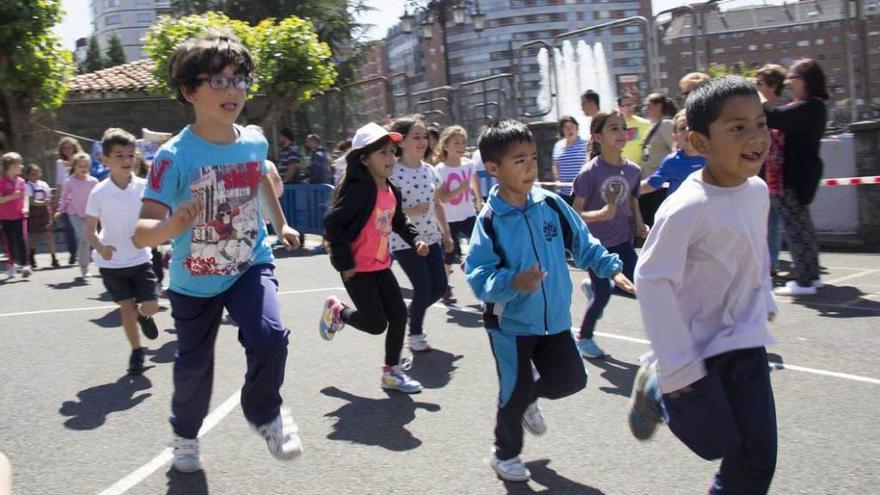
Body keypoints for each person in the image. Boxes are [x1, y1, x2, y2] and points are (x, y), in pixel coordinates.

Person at [132, 31, 304, 473]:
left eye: (240, 79)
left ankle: (264, 411)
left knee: (270, 337)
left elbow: (260, 179)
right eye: (219, 81)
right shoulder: (173, 157)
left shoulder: (253, 141)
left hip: (250, 262)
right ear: (189, 91)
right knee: (194, 367)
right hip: (195, 279)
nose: (234, 90)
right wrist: (171, 226)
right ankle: (185, 436)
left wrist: (280, 222)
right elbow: (141, 232)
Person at [629, 76, 778, 495]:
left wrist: (763, 294)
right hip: (697, 349)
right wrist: (676, 366)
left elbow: (755, 250)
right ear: (698, 141)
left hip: (746, 342)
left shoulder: (758, 191)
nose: (755, 137)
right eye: (737, 128)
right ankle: (657, 387)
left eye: (760, 123)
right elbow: (652, 278)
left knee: (756, 458)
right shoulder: (685, 208)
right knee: (714, 442)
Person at [464, 118, 634, 483]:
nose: (529, 168)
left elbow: (582, 242)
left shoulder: (552, 204)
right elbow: (478, 276)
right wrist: (512, 282)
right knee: (513, 389)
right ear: (493, 169)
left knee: (572, 379)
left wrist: (609, 266)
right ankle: (504, 454)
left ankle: (528, 397)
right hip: (509, 323)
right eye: (518, 161)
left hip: (553, 317)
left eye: (532, 158)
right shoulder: (491, 220)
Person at [321, 122, 429, 393]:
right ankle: (338, 312)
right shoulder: (360, 190)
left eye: (393, 152)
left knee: (399, 315)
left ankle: (391, 372)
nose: (391, 158)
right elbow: (333, 223)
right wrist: (345, 264)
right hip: (357, 270)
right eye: (383, 153)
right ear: (364, 159)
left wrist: (415, 238)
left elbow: (400, 219)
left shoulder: (391, 189)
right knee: (376, 324)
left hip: (380, 266)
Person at [84, 128, 161, 375]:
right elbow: (89, 232)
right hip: (112, 265)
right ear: (105, 160)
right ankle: (137, 351)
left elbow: (158, 218)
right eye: (119, 156)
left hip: (140, 259)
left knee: (150, 306)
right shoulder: (98, 192)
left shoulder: (144, 187)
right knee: (125, 309)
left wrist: (147, 235)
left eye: (130, 155)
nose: (126, 161)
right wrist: (101, 248)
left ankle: (144, 315)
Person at [571, 111, 645, 359]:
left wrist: (639, 224)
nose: (621, 133)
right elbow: (575, 214)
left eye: (623, 128)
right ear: (597, 137)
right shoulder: (589, 173)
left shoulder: (633, 170)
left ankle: (595, 286)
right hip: (596, 246)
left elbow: (632, 200)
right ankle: (584, 337)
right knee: (602, 295)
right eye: (614, 128)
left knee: (642, 287)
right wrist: (601, 214)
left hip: (622, 240)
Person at [388, 115, 454, 353]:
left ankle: (410, 314)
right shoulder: (391, 172)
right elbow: (384, 210)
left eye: (424, 136)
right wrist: (411, 211)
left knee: (439, 286)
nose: (422, 141)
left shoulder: (430, 170)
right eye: (416, 136)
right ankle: (415, 335)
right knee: (423, 288)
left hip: (431, 237)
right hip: (405, 240)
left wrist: (446, 233)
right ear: (401, 141)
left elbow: (437, 204)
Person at [765, 59, 828, 296]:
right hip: (796, 176)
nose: (789, 83)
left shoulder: (810, 107)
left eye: (793, 78)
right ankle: (810, 276)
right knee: (802, 228)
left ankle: (804, 281)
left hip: (793, 177)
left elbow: (774, 115)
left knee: (796, 229)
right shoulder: (809, 106)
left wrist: (757, 98)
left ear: (806, 81)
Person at [433, 125, 482, 304]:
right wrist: (461, 188)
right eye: (456, 143)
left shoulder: (468, 164)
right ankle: (445, 287)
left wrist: (478, 199)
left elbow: (474, 181)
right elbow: (443, 198)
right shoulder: (440, 169)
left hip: (468, 214)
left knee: (482, 243)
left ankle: (468, 262)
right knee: (448, 255)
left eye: (463, 142)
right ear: (446, 146)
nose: (461, 146)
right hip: (449, 219)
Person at [755, 64, 789, 276]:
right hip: (761, 172)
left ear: (773, 85)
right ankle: (770, 263)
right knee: (768, 221)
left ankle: (775, 263)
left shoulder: (784, 110)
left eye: (759, 83)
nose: (756, 87)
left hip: (780, 175)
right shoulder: (758, 112)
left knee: (779, 221)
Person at [640, 110, 706, 197]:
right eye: (682, 128)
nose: (688, 129)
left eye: (693, 126)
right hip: (683, 209)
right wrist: (626, 186)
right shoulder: (672, 161)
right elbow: (651, 184)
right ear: (675, 137)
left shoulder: (714, 157)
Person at [55, 152, 98, 279]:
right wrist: (60, 210)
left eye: (86, 166)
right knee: (83, 237)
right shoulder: (70, 182)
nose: (83, 168)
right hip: (74, 213)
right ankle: (84, 267)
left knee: (90, 238)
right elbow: (64, 197)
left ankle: (93, 261)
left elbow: (99, 197)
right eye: (80, 166)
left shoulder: (93, 181)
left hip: (89, 214)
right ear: (74, 166)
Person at [639, 93, 678, 226]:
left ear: (659, 106)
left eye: (649, 106)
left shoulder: (666, 124)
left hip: (660, 186)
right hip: (650, 184)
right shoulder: (655, 126)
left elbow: (675, 149)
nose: (645, 109)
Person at [0, 152, 30, 278]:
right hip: (5, 217)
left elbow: (25, 196)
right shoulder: (2, 182)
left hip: (19, 216)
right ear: (11, 167)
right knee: (9, 242)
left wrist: (26, 207)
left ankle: (25, 265)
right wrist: (12, 196)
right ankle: (11, 265)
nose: (21, 167)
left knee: (21, 239)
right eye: (19, 165)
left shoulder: (21, 181)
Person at [54, 137, 83, 265]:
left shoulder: (82, 160)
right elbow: (60, 182)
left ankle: (87, 251)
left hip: (82, 197)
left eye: (70, 147)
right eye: (64, 148)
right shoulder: (60, 163)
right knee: (69, 228)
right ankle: (72, 253)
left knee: (85, 227)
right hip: (67, 198)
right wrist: (56, 200)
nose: (67, 150)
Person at [24, 163, 59, 269]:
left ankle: (54, 258)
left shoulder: (43, 184)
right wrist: (43, 203)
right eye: (32, 174)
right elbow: (30, 201)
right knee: (33, 236)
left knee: (48, 235)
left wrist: (49, 202)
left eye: (36, 173)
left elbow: (49, 196)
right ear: (27, 175)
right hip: (34, 213)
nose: (35, 175)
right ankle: (31, 257)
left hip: (44, 213)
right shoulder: (27, 186)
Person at [551, 116, 588, 202]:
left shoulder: (585, 144)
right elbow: (554, 164)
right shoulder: (558, 146)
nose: (569, 130)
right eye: (566, 127)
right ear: (562, 131)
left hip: (582, 193)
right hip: (563, 193)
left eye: (572, 126)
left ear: (577, 128)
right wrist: (557, 180)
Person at [618, 92, 652, 165]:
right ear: (619, 107)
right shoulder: (614, 126)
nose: (631, 107)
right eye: (627, 105)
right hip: (620, 168)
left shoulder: (645, 124)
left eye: (632, 104)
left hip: (641, 168)